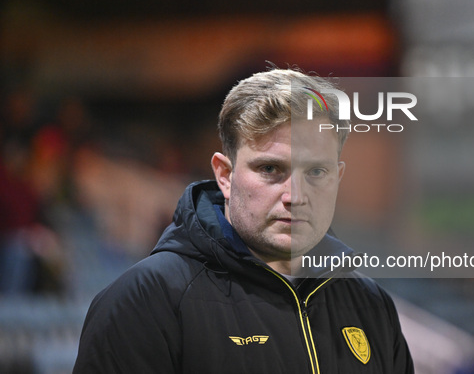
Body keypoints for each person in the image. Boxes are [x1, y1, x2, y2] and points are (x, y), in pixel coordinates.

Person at [73, 68, 414, 373]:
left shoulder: (370, 303)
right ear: (225, 174)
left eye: (316, 172)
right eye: (270, 169)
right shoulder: (144, 301)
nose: (295, 195)